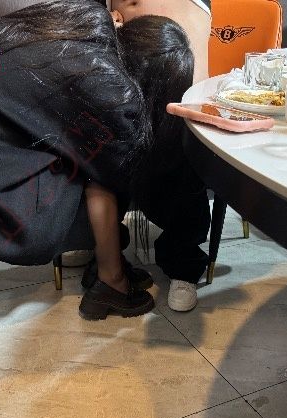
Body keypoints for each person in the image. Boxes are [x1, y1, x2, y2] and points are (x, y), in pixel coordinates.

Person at [0, 0, 194, 320]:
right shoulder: (111, 89)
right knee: (103, 172)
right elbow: (107, 178)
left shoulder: (86, 20)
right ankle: (112, 283)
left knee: (96, 153)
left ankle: (108, 263)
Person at [100, 0, 213, 313]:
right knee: (98, 162)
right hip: (127, 93)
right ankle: (101, 246)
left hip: (181, 99)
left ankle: (183, 265)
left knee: (184, 172)